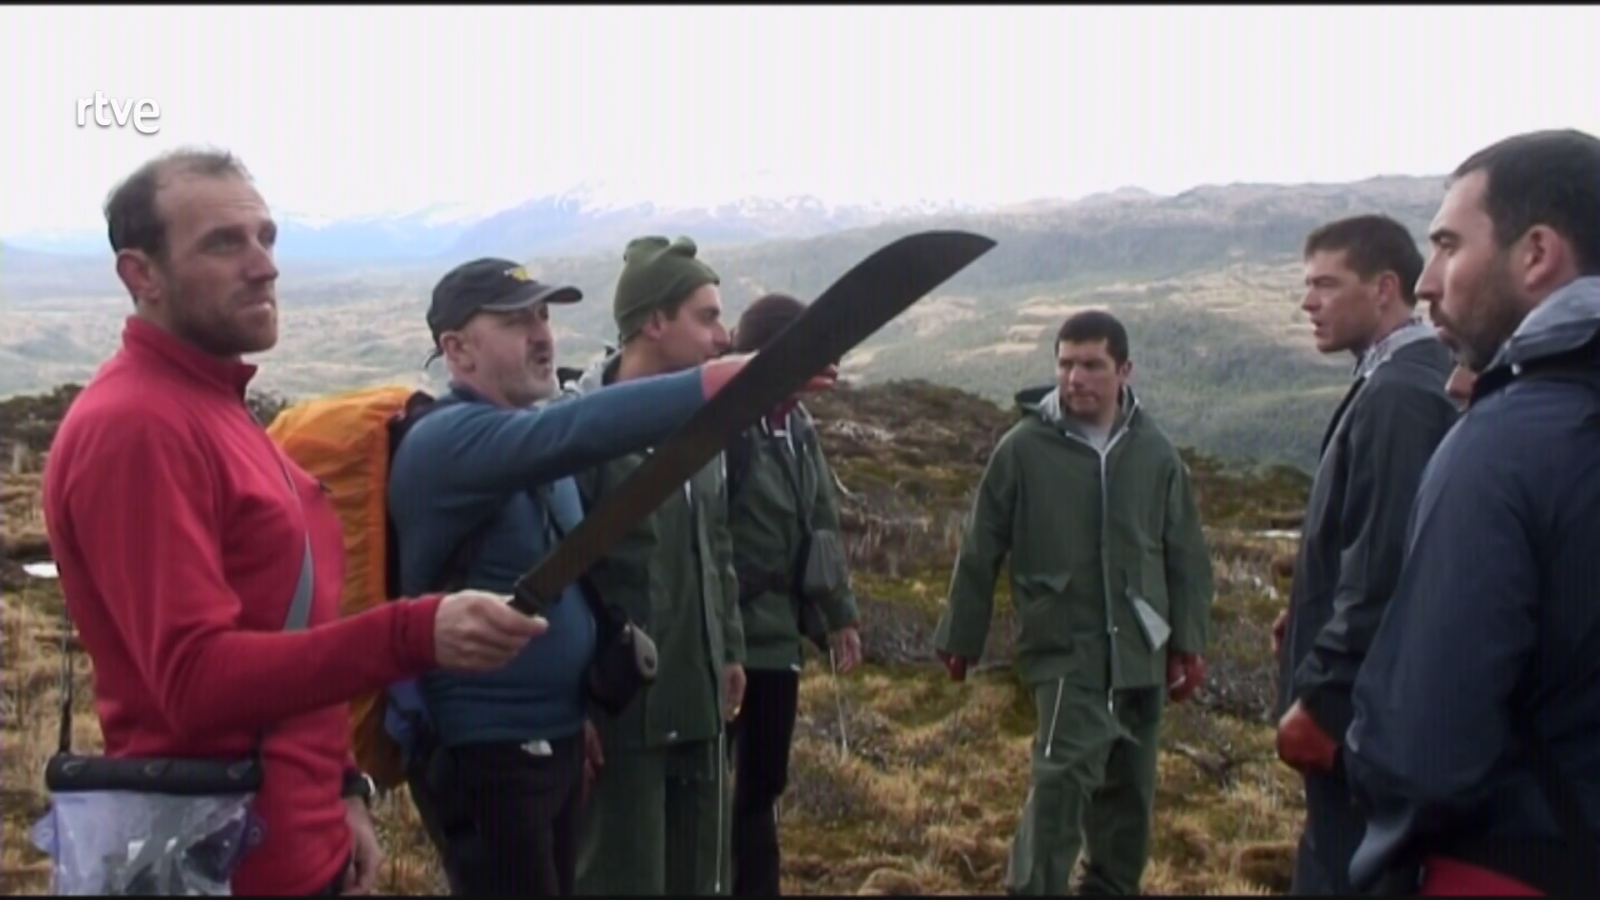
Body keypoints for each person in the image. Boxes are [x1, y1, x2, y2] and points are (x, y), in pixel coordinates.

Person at [40, 148, 549, 897]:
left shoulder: (214, 404)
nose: (263, 266)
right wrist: (413, 633)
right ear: (140, 274)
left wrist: (341, 787)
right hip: (222, 864)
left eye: (267, 238)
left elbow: (282, 632)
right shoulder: (138, 426)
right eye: (223, 243)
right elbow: (194, 680)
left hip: (289, 845)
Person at [386, 259, 822, 895]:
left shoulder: (531, 437)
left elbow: (572, 582)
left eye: (544, 315)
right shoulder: (447, 440)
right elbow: (576, 427)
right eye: (515, 321)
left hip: (557, 740)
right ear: (456, 349)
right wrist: (715, 386)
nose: (542, 334)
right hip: (489, 752)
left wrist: (579, 711)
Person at [1344, 128, 1600, 895]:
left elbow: (1424, 737)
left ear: (1536, 254)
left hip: (1513, 861)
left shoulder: (1504, 444)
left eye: (1449, 246)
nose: (1426, 283)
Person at [932, 309, 1215, 896]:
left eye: (1091, 365)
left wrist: (1188, 642)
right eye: (1065, 364)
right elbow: (981, 547)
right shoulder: (1023, 449)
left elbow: (1185, 551)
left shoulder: (1155, 450)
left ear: (1124, 370)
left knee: (1130, 797)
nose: (1074, 378)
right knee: (1060, 785)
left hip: (1142, 647)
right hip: (1064, 646)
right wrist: (961, 636)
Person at [1269, 215, 1458, 894]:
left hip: (1360, 721)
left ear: (1384, 290)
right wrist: (1304, 612)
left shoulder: (1401, 396)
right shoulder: (1403, 377)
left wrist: (1321, 699)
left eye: (1325, 284)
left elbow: (1382, 571)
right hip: (1377, 708)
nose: (1308, 301)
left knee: (1346, 869)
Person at [565, 236, 750, 895]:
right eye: (706, 317)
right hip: (623, 715)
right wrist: (573, 707)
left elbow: (716, 543)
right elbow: (559, 580)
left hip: (697, 701)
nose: (723, 335)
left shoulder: (703, 425)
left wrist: (727, 649)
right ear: (653, 322)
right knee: (622, 880)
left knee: (702, 880)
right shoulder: (580, 430)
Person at [722, 293, 863, 897]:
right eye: (813, 345)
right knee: (721, 788)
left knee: (761, 784)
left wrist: (840, 615)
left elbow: (821, 523)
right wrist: (723, 640)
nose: (828, 360)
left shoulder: (798, 429)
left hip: (778, 640)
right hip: (728, 641)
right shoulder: (727, 430)